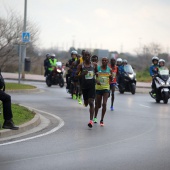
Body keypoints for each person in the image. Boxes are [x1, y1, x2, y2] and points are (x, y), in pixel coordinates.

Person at [76, 51, 98, 128]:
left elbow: (96, 73)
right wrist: (82, 74)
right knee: (86, 103)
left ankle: (90, 121)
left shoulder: (94, 65)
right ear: (84, 56)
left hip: (92, 86)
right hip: (84, 87)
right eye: (86, 55)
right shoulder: (80, 65)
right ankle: (85, 101)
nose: (87, 56)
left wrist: (97, 79)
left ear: (90, 56)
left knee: (91, 102)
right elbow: (76, 76)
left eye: (88, 55)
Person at [93, 57, 112, 126]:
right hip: (98, 88)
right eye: (103, 60)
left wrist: (111, 77)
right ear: (101, 61)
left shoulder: (109, 69)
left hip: (106, 88)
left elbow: (111, 78)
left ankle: (101, 120)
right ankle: (95, 117)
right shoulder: (97, 68)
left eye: (105, 60)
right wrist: (96, 80)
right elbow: (93, 76)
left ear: (107, 61)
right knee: (98, 105)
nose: (104, 61)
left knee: (104, 104)